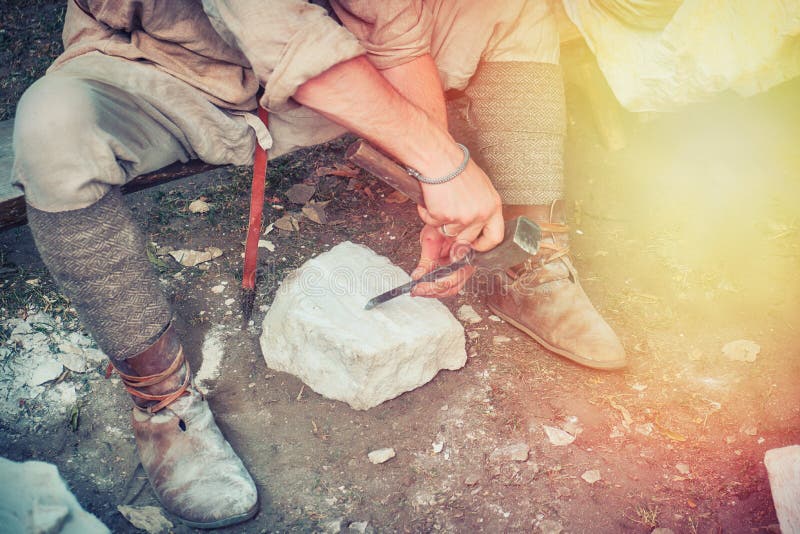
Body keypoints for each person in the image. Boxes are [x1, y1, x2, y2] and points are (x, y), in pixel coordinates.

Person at [12, 0, 626, 528]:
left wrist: (434, 191)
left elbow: (393, 25)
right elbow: (278, 29)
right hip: (169, 71)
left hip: (331, 68)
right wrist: (447, 166)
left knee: (507, 10)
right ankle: (161, 401)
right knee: (52, 128)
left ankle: (523, 257)